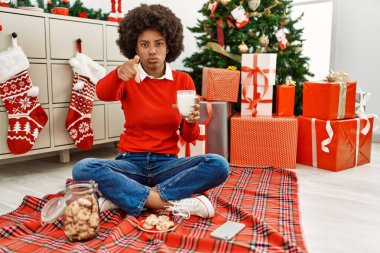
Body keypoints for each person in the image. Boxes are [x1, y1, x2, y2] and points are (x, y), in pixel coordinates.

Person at [72, 4, 230, 219]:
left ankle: (129, 197)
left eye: (159, 44)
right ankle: (161, 200)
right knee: (83, 167)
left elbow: (189, 136)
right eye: (144, 44)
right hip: (130, 163)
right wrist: (118, 73)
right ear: (135, 48)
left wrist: (192, 120)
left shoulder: (183, 80)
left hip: (166, 164)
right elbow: (102, 93)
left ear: (169, 46)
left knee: (219, 164)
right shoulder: (127, 76)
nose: (152, 50)